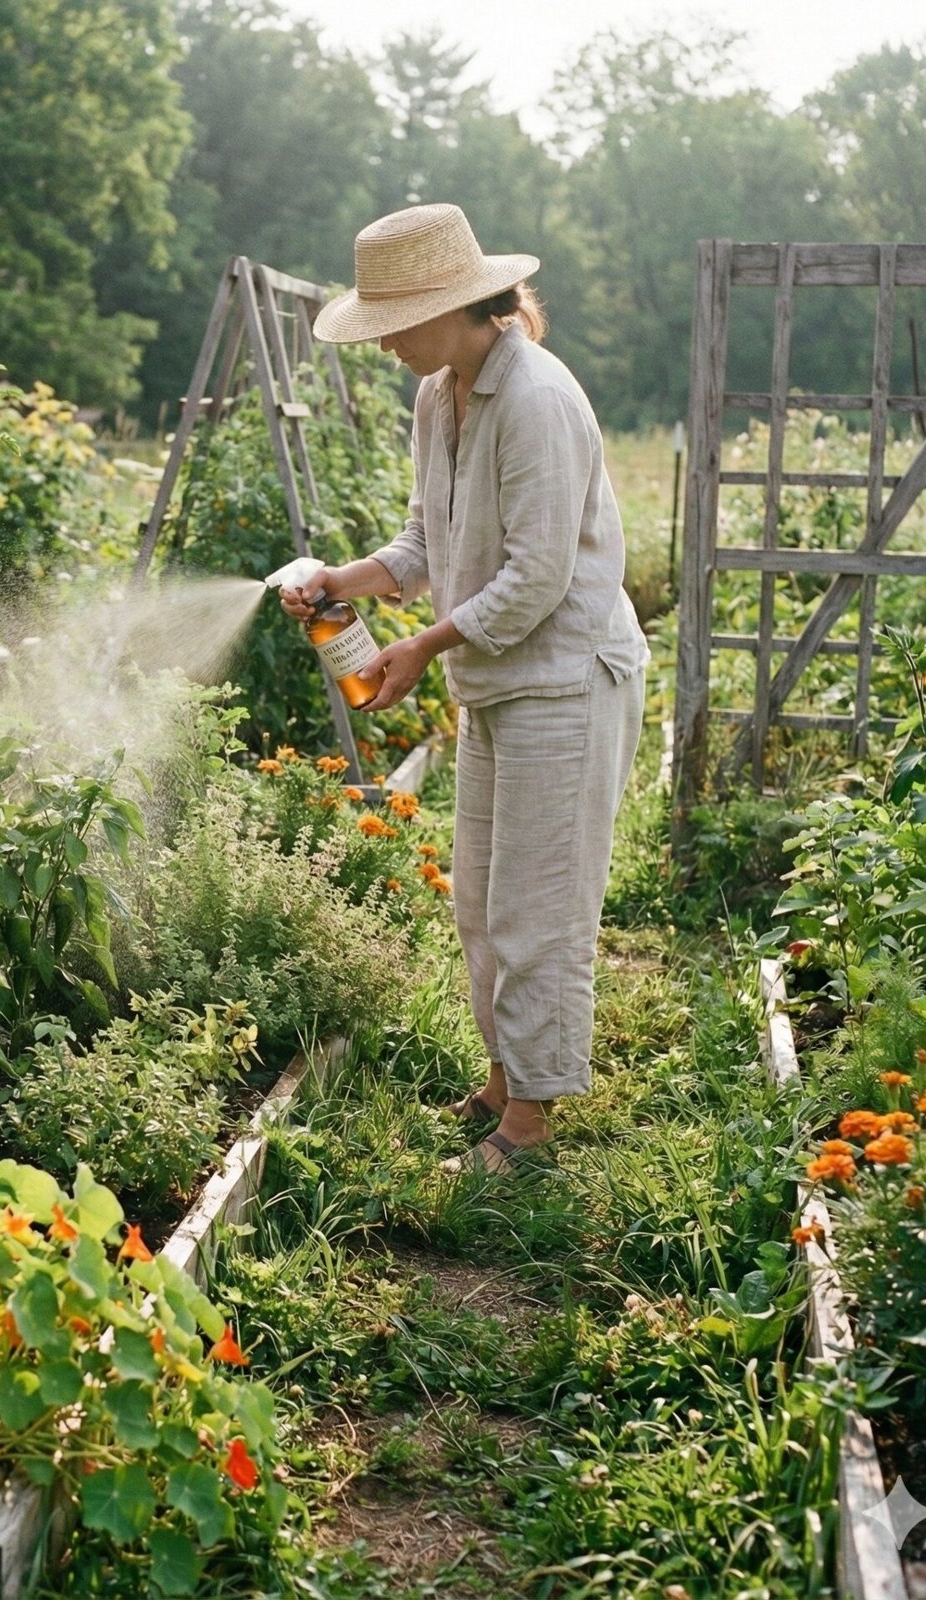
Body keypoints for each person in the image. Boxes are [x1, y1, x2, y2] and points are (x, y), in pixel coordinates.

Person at [286, 203, 648, 1177]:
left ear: (456, 307)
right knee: (481, 901)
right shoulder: (440, 394)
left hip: (563, 677)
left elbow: (534, 578)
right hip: (494, 676)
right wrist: (339, 583)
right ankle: (502, 1081)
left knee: (538, 905)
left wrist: (418, 649)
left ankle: (527, 1131)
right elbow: (421, 545)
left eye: (394, 323)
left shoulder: (535, 398)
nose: (387, 343)